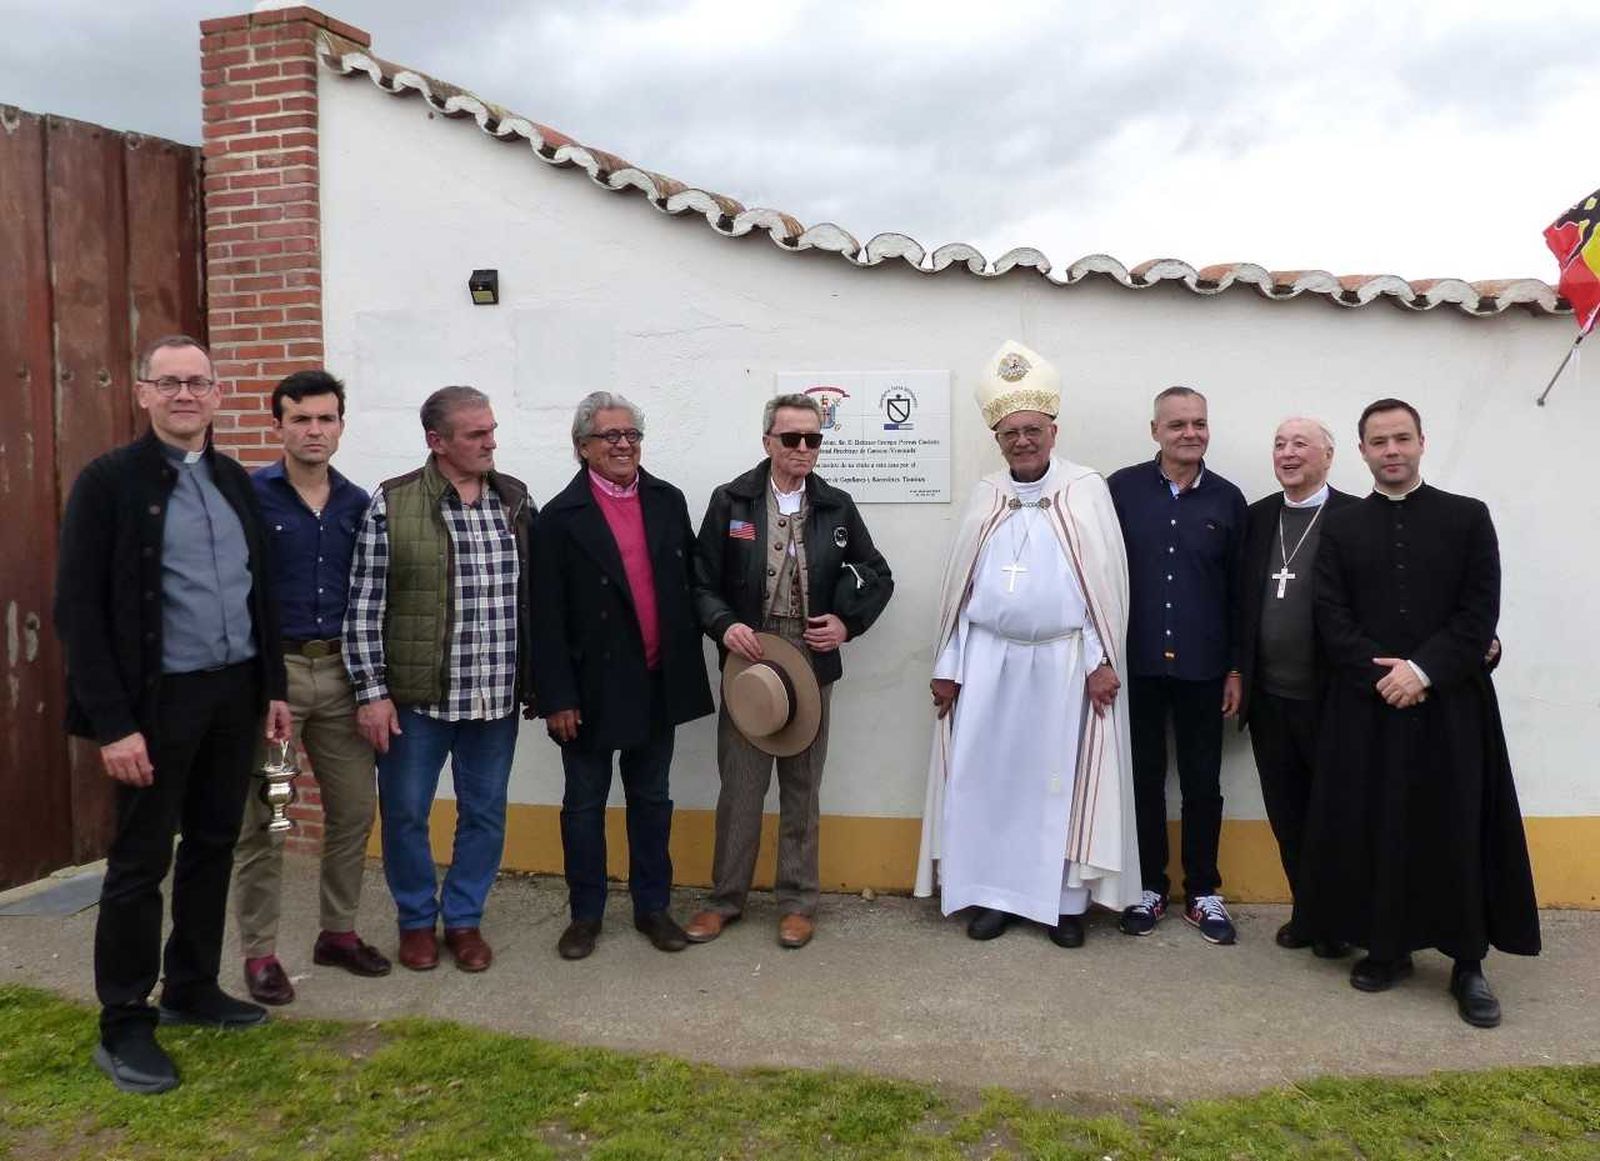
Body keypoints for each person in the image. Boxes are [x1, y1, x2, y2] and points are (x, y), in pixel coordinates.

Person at [55, 335, 291, 1095]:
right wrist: (113, 724)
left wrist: (274, 688)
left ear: (218, 395)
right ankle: (124, 1021)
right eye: (171, 382)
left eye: (199, 382)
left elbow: (262, 593)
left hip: (233, 695)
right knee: (139, 862)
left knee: (215, 842)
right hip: (155, 704)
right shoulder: (108, 483)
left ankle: (191, 985)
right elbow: (78, 613)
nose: (186, 394)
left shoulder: (231, 479)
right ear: (144, 393)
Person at [1297, 398, 1539, 1027]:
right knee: (1378, 825)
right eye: (1379, 442)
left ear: (1422, 442)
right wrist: (1383, 674)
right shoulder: (1342, 527)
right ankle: (1388, 948)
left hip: (1451, 705)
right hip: (1370, 706)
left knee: (1455, 826)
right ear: (1362, 453)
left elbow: (1477, 611)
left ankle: (1468, 964)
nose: (1392, 451)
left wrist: (1423, 671)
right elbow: (1330, 616)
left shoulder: (1467, 518)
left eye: (1402, 438)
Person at [914, 341, 1139, 945]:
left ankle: (1065, 906)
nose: (1022, 441)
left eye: (1032, 429)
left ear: (1053, 429)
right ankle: (993, 896)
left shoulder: (1086, 490)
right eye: (1010, 431)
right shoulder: (988, 496)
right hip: (988, 662)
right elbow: (960, 595)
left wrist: (1101, 660)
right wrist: (948, 665)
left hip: (1064, 666)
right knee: (989, 780)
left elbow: (1102, 589)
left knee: (1058, 781)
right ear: (997, 438)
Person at [685, 393, 893, 949]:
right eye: (791, 438)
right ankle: (725, 899)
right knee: (741, 785)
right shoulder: (731, 501)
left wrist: (847, 625)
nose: (803, 448)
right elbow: (699, 581)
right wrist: (724, 625)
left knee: (803, 785)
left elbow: (877, 575)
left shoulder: (837, 505)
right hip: (750, 655)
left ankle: (798, 901)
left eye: (813, 439)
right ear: (767, 442)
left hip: (810, 656)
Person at [343, 386, 536, 974]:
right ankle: (415, 923)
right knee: (405, 814)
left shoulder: (517, 501)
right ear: (437, 441)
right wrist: (371, 693)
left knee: (484, 814)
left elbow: (537, 600)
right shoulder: (392, 503)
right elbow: (364, 608)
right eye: (476, 434)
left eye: (492, 430)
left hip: (494, 698)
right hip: (417, 702)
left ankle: (464, 920)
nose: (490, 442)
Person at [531, 392, 714, 960]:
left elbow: (689, 582)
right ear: (583, 447)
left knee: (652, 799)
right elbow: (544, 616)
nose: (623, 445)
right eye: (610, 436)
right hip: (589, 691)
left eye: (631, 434)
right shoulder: (559, 519)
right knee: (584, 806)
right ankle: (585, 915)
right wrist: (556, 695)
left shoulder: (667, 500)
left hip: (658, 680)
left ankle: (652, 908)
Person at [233, 370, 390, 1006]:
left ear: (341, 427)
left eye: (326, 419)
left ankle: (338, 933)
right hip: (277, 680)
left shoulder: (358, 504)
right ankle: (260, 951)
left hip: (344, 675)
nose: (314, 430)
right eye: (301, 419)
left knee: (354, 810)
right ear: (279, 427)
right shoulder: (249, 496)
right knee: (269, 817)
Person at [1108, 386, 1247, 943]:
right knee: (1142, 779)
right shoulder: (1120, 491)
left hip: (1203, 666)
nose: (1190, 433)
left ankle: (1204, 892)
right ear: (1155, 431)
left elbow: (1240, 592)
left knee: (1202, 782)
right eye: (1177, 425)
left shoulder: (1229, 499)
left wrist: (1236, 668)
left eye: (1199, 423)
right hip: (1135, 663)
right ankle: (1148, 887)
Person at [1233, 418, 1356, 958]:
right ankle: (1308, 913)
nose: (1287, 453)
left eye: (1300, 444)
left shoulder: (1355, 517)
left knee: (1338, 814)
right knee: (1288, 813)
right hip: (1270, 698)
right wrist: (1237, 670)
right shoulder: (1258, 517)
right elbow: (1239, 603)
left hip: (1332, 699)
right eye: (1279, 444)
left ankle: (1342, 919)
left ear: (1328, 456)